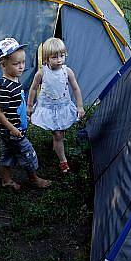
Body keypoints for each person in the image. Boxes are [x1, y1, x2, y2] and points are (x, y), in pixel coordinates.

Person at [0, 38, 50, 190]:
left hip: (15, 128)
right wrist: (12, 128)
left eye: (23, 62)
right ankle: (34, 179)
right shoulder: (5, 87)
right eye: (16, 64)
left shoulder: (14, 80)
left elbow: (16, 104)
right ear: (3, 64)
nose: (21, 66)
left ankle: (6, 180)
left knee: (8, 153)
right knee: (27, 153)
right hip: (12, 132)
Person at [27, 37, 85, 174]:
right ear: (46, 58)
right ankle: (63, 160)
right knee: (58, 134)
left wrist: (80, 106)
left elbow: (76, 88)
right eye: (54, 57)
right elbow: (33, 89)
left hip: (63, 107)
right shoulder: (42, 73)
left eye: (62, 56)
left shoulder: (67, 71)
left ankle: (57, 143)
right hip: (48, 108)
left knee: (61, 131)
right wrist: (30, 106)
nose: (59, 60)